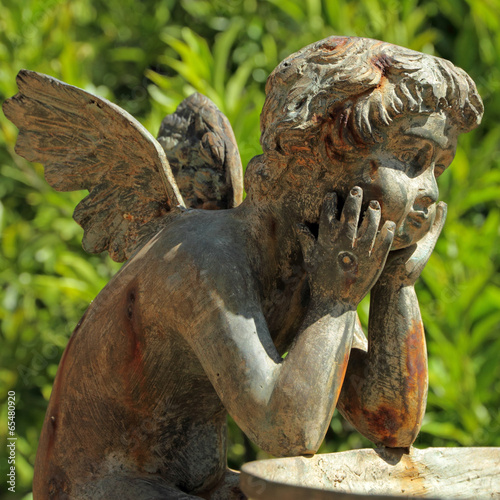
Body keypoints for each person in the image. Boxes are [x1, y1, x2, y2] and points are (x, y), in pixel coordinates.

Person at [10, 36, 483, 499]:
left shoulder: (310, 259)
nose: (430, 194)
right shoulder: (204, 258)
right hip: (101, 489)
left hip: (200, 485)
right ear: (320, 153)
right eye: (413, 160)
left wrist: (395, 285)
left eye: (437, 169)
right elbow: (287, 432)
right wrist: (337, 301)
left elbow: (388, 421)